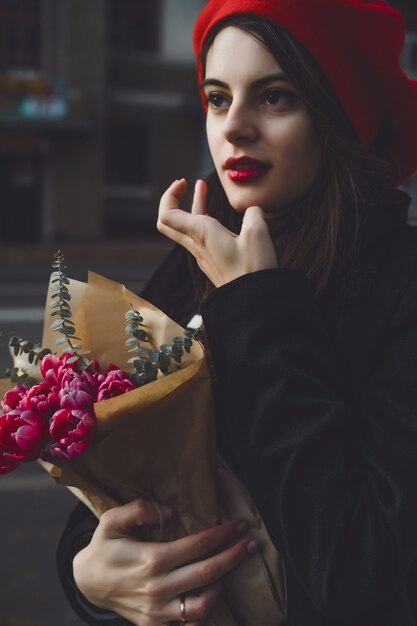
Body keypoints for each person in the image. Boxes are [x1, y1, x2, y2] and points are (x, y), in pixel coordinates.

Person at [57, 1, 417, 624]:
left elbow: (359, 568)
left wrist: (255, 307)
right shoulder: (190, 262)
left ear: (340, 117)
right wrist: (88, 580)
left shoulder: (400, 281)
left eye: (275, 98)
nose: (234, 128)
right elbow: (112, 490)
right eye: (218, 98)